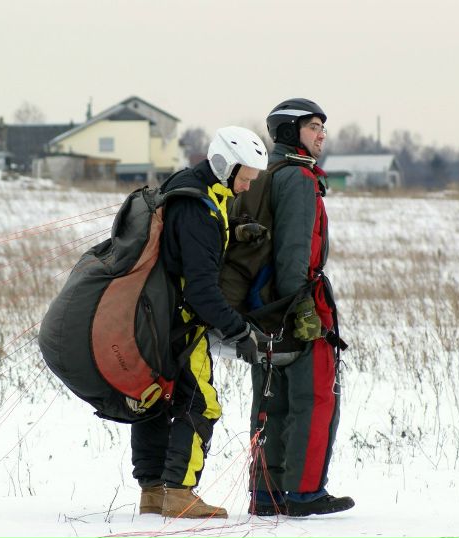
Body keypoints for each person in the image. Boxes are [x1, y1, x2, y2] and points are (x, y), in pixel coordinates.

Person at [133, 126, 269, 519]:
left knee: (156, 402)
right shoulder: (201, 210)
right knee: (202, 404)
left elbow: (185, 246)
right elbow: (202, 292)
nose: (246, 187)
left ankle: (153, 492)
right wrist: (240, 331)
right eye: (244, 178)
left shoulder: (189, 184)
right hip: (181, 324)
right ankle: (179, 491)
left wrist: (236, 232)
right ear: (226, 165)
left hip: (155, 319)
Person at [248, 98, 354, 517]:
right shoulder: (297, 179)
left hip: (261, 305)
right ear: (291, 132)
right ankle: (304, 493)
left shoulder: (265, 173)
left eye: (323, 128)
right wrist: (300, 306)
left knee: (270, 399)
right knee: (314, 397)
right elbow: (295, 248)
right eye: (313, 127)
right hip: (295, 301)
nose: (322, 135)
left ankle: (266, 494)